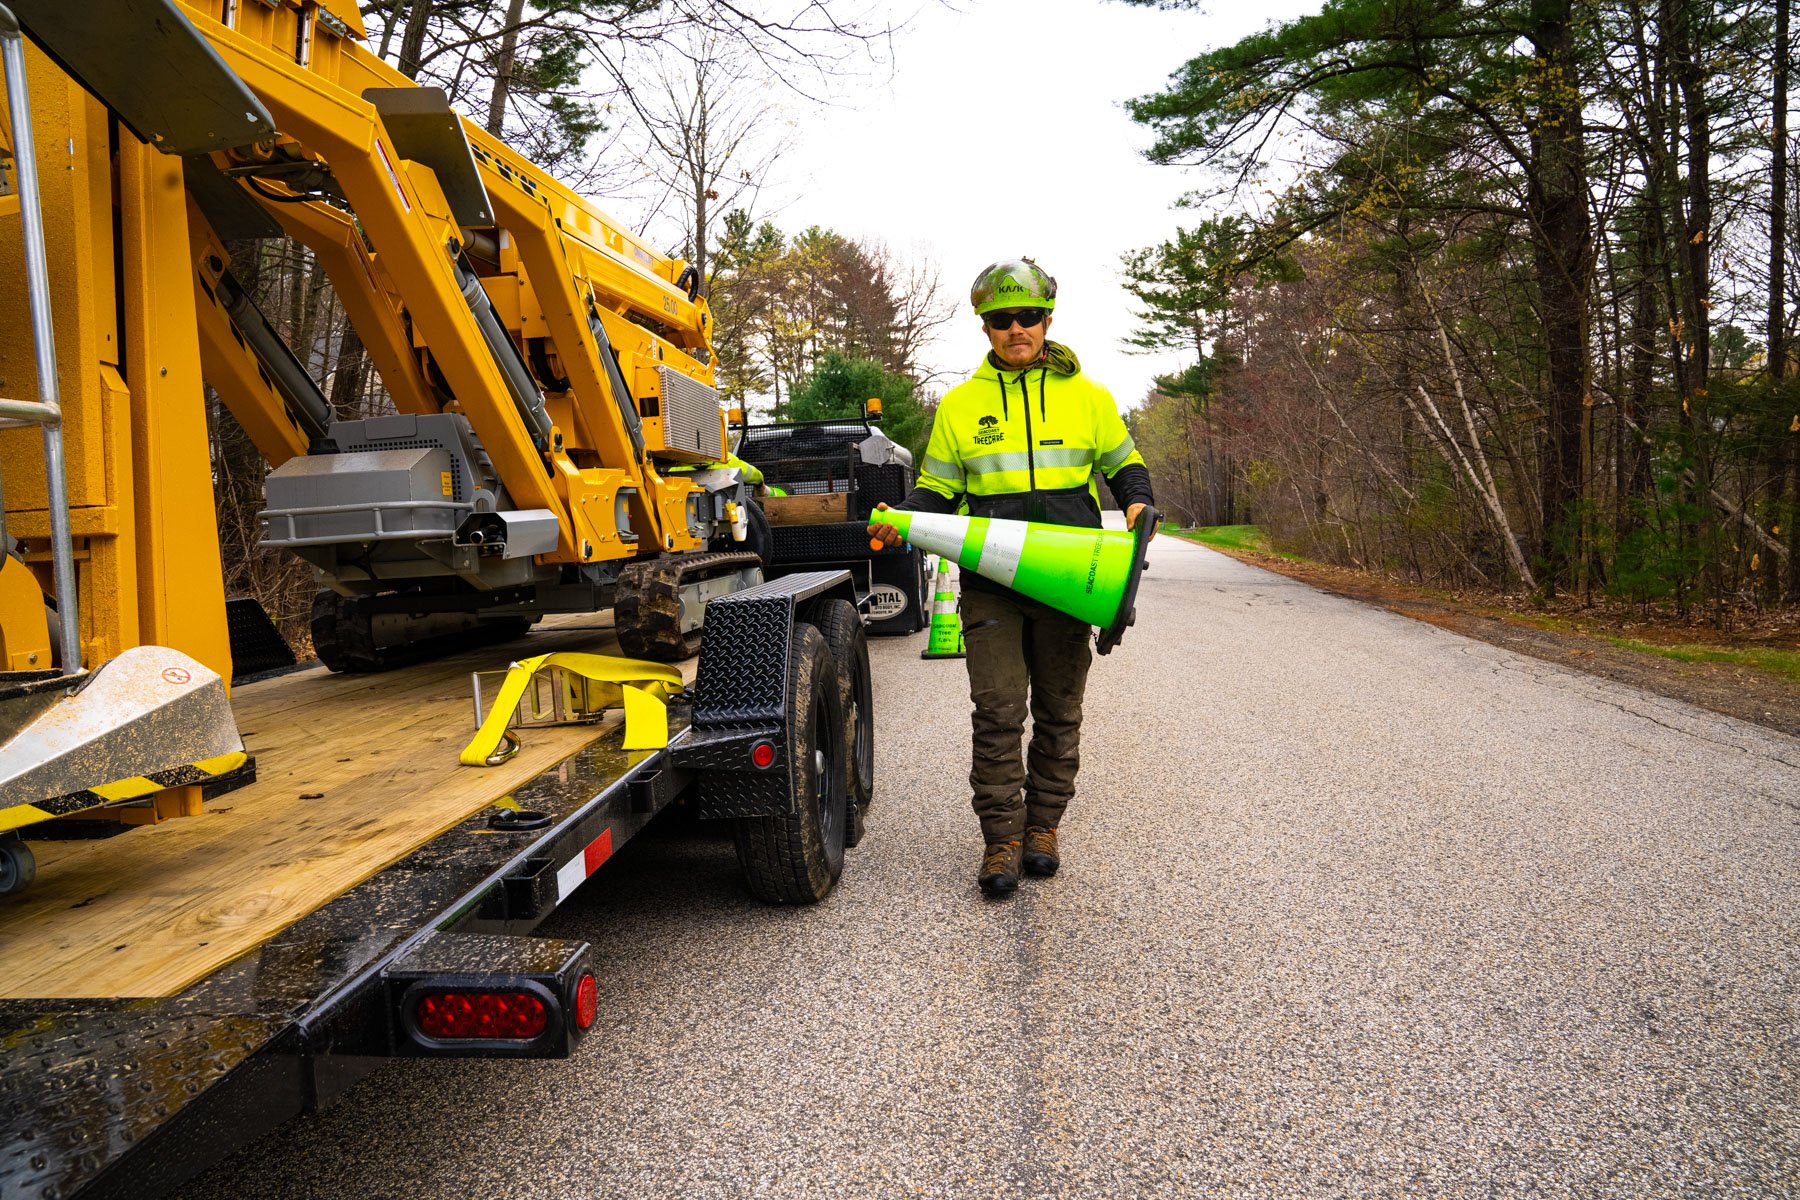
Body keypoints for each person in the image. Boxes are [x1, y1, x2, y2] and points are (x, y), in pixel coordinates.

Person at [868, 258, 1154, 896]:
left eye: (1028, 316)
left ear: (1048, 320)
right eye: (1002, 320)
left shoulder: (1090, 397)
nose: (1016, 329)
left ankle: (1043, 829)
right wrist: (904, 520)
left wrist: (1138, 503)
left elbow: (1125, 464)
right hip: (992, 582)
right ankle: (1001, 840)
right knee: (997, 710)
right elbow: (937, 491)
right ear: (986, 327)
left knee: (1059, 708)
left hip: (1067, 578)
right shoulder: (961, 406)